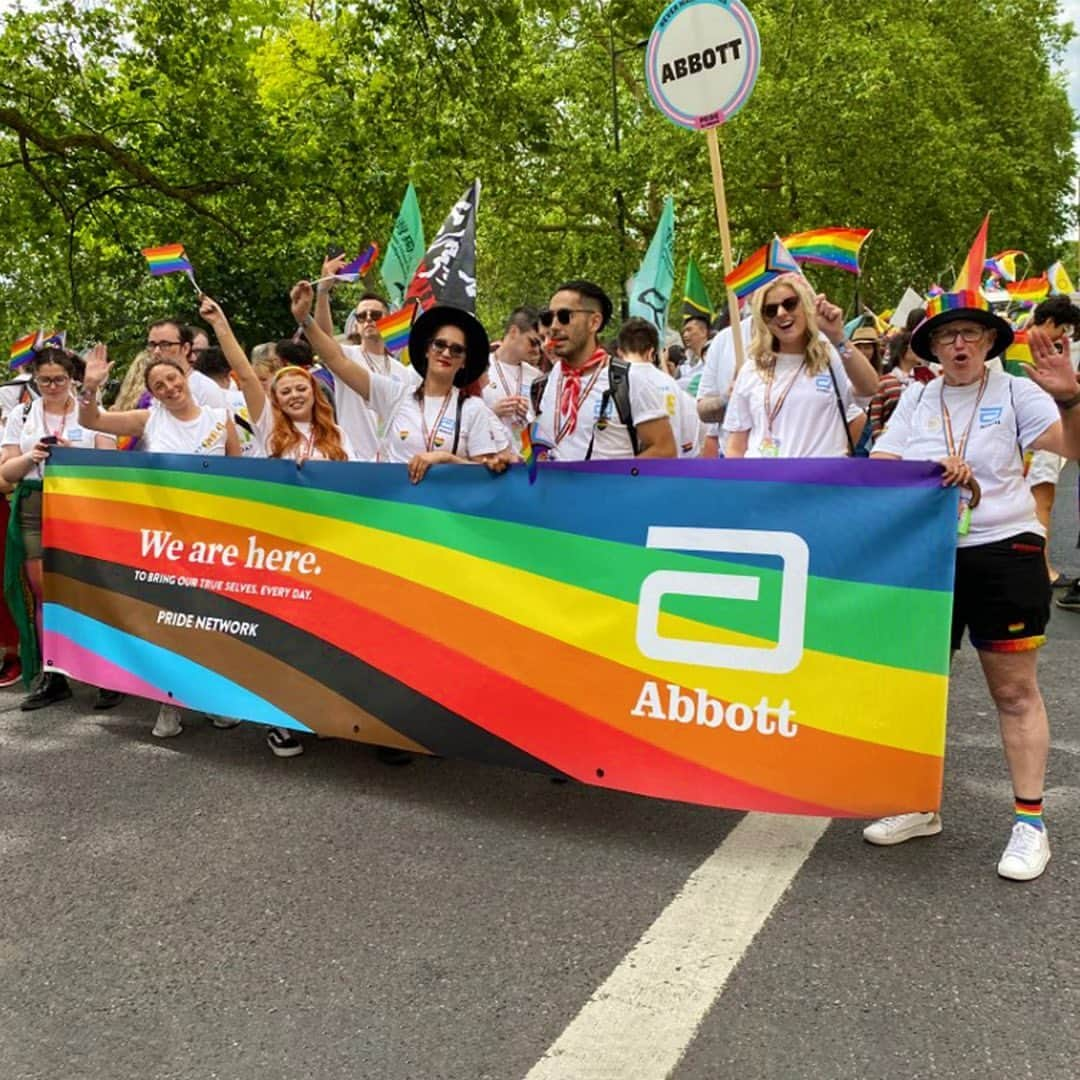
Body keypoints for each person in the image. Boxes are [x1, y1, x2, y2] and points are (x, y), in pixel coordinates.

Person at [862, 289, 1080, 882]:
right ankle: (920, 803)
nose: (959, 344)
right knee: (921, 686)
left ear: (989, 342)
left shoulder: (1018, 391)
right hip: (927, 556)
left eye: (971, 334)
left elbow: (1073, 449)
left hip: (1004, 549)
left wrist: (1071, 399)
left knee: (1013, 692)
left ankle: (1030, 824)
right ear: (930, 346)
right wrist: (927, 472)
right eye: (947, 335)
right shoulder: (916, 397)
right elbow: (883, 466)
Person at [77, 345, 241, 738]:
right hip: (166, 541)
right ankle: (167, 703)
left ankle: (212, 699)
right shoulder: (148, 420)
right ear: (151, 391)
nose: (168, 388)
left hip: (213, 539)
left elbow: (241, 479)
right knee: (169, 622)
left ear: (185, 377)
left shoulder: (222, 419)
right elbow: (94, 419)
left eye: (173, 378)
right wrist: (90, 387)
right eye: (158, 384)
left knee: (210, 622)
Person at [291, 282, 509, 482]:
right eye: (439, 345)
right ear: (427, 350)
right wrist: (305, 318)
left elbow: (484, 477)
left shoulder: (473, 409)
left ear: (463, 361)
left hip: (446, 515)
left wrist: (445, 459)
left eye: (457, 349)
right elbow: (337, 359)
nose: (446, 353)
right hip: (395, 512)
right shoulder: (396, 395)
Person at [1, 347, 117, 708]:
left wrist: (73, 457)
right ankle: (53, 674)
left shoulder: (92, 414)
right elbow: (5, 473)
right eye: (44, 380)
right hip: (35, 503)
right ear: (34, 379)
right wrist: (30, 455)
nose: (52, 386)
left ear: (73, 379)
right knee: (44, 591)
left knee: (87, 589)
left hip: (80, 505)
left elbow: (111, 467)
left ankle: (104, 673)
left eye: (60, 379)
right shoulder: (21, 414)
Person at [723, 274, 873, 458]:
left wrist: (838, 338)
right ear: (764, 320)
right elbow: (736, 445)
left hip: (818, 482)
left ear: (806, 306)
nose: (781, 313)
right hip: (765, 482)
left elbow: (869, 388)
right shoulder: (751, 368)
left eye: (790, 303)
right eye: (770, 310)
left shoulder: (830, 357)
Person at [532, 280, 676, 460]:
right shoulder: (547, 382)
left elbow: (664, 450)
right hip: (554, 487)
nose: (553, 326)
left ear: (594, 322)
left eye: (564, 316)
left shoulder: (629, 380)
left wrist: (614, 484)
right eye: (548, 317)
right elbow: (539, 444)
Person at [313, 260, 419, 460]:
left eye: (376, 314)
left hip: (391, 462)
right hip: (353, 460)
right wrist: (323, 292)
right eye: (362, 316)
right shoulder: (346, 356)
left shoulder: (402, 372)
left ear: (388, 318)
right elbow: (322, 337)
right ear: (357, 325)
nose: (368, 319)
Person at [1015, 296, 1080, 592]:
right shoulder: (1032, 346)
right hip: (1040, 430)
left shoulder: (1015, 339)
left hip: (1031, 430)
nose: (1065, 336)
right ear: (1052, 322)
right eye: (1063, 328)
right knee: (1042, 501)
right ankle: (1042, 568)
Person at [616, 318, 703, 457]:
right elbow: (691, 430)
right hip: (671, 470)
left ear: (619, 352)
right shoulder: (671, 383)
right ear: (652, 352)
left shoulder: (612, 382)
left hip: (624, 473)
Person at [483, 307, 543, 461]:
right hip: (489, 460)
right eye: (533, 342)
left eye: (539, 344)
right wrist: (492, 412)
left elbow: (544, 426)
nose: (537, 350)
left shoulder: (537, 377)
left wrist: (527, 416)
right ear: (514, 332)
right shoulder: (480, 368)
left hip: (525, 462)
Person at [144, 319, 229, 410]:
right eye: (152, 345)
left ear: (185, 348)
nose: (156, 351)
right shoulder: (152, 387)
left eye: (165, 344)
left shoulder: (205, 389)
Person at [868, 330, 934, 439]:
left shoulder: (925, 379)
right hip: (890, 439)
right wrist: (879, 440)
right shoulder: (884, 381)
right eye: (912, 346)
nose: (917, 351)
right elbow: (875, 418)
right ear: (901, 350)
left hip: (919, 439)